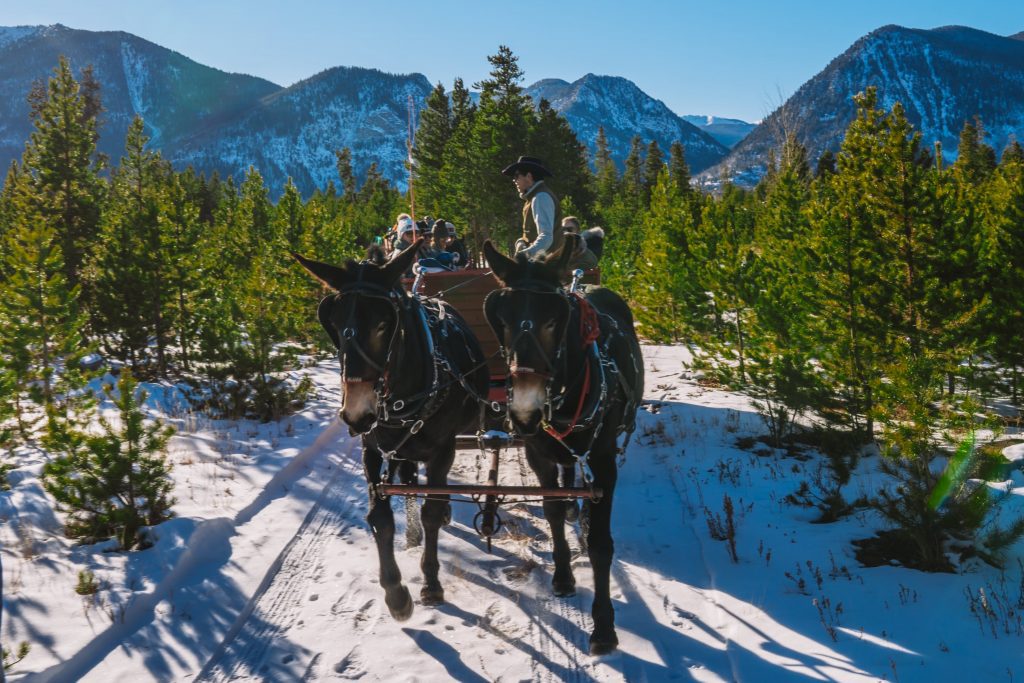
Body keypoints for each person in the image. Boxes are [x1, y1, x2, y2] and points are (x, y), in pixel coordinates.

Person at [502, 156, 562, 260]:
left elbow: (546, 237)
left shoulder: (541, 197)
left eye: (516, 176)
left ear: (529, 177)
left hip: (545, 266)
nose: (514, 180)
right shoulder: (536, 196)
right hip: (542, 264)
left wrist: (525, 255)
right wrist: (521, 242)